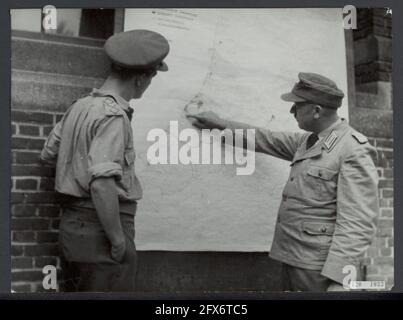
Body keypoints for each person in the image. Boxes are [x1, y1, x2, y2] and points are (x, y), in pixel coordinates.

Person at [187, 72, 380, 292]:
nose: (291, 111)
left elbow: (358, 222)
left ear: (316, 111)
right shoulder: (309, 141)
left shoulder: (353, 149)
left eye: (297, 105)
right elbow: (265, 138)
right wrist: (221, 124)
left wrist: (339, 279)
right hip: (293, 258)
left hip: (319, 269)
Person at [40, 29, 170, 292]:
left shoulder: (79, 106)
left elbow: (48, 157)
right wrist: (118, 239)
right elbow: (101, 184)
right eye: (152, 77)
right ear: (142, 77)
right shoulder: (114, 116)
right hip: (102, 232)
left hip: (73, 228)